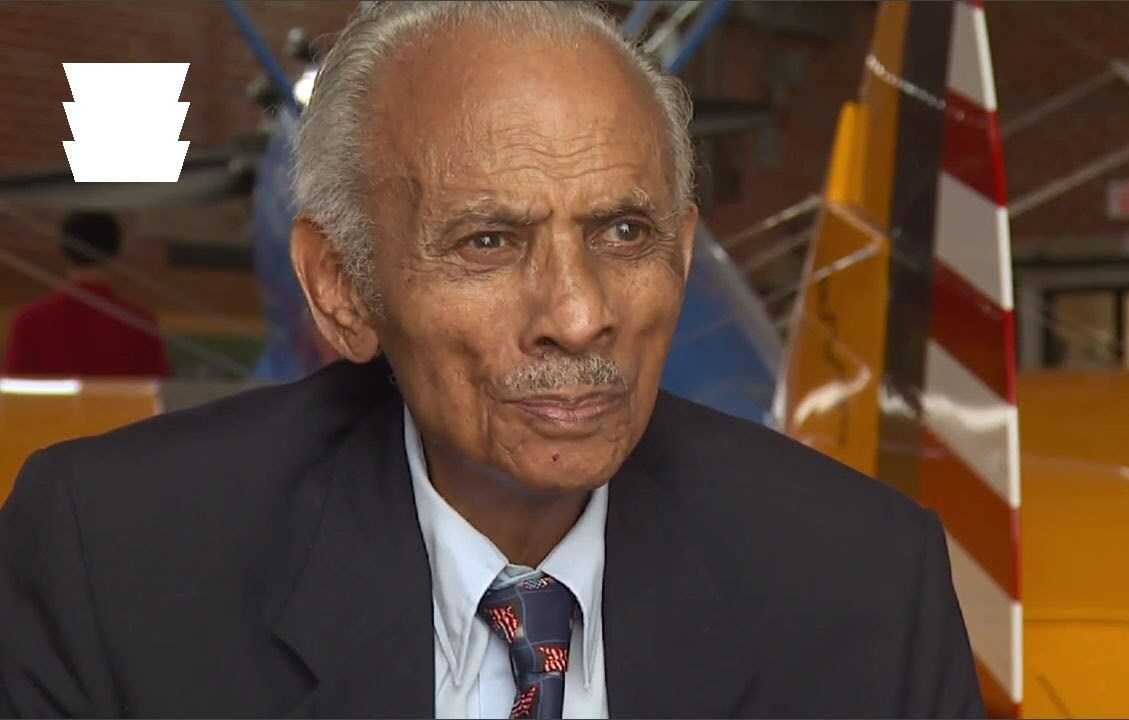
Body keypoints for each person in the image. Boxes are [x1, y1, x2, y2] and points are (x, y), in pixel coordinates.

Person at [0, 3, 982, 717]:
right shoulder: (112, 569)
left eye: (623, 231)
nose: (578, 312)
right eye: (487, 242)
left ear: (682, 253)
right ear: (340, 290)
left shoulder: (867, 586)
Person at [2, 210, 171, 377]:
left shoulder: (30, 321)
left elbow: (11, 395)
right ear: (115, 250)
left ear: (64, 250)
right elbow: (162, 394)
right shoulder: (140, 324)